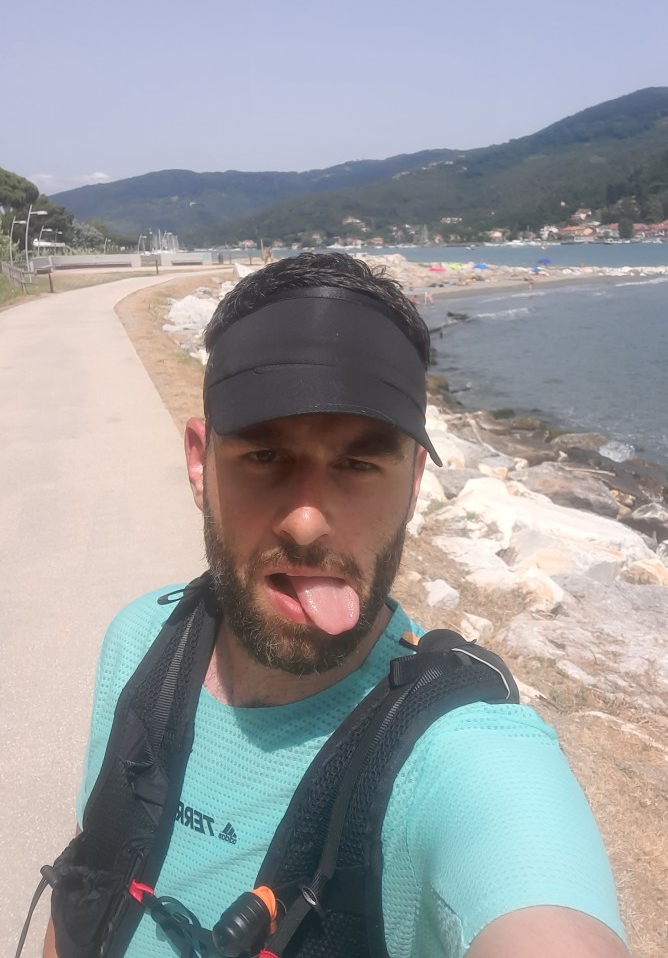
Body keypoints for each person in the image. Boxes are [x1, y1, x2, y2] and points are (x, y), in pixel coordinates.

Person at [44, 253, 629, 958]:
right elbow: (88, 879)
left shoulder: (457, 755)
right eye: (264, 457)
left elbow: (542, 909)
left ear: (413, 483)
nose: (306, 522)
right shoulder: (140, 641)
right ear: (200, 463)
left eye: (358, 464)